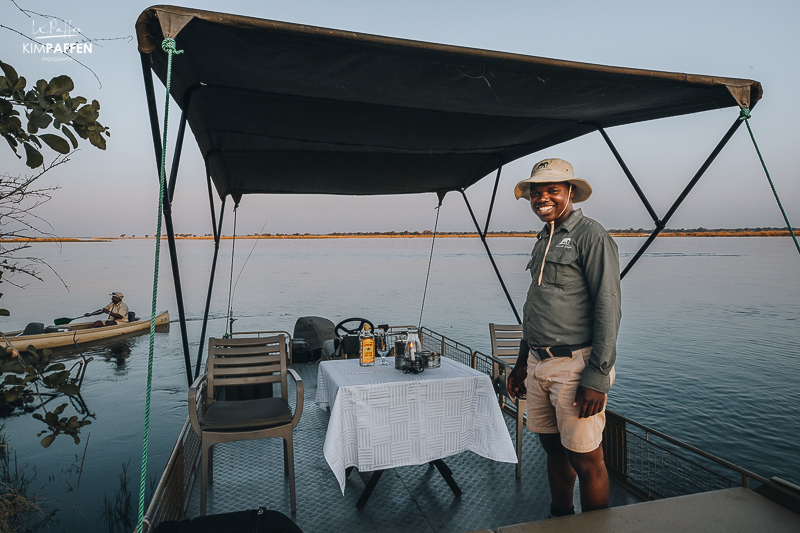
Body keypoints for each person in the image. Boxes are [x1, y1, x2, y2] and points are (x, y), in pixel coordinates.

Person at [506, 158, 621, 517]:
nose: (542, 198)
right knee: (553, 449)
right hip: (539, 364)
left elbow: (608, 308)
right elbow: (535, 307)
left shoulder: (591, 236)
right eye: (535, 193)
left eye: (552, 190)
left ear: (570, 192)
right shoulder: (544, 237)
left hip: (576, 366)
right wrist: (522, 364)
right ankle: (560, 518)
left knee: (587, 460)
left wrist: (597, 378)